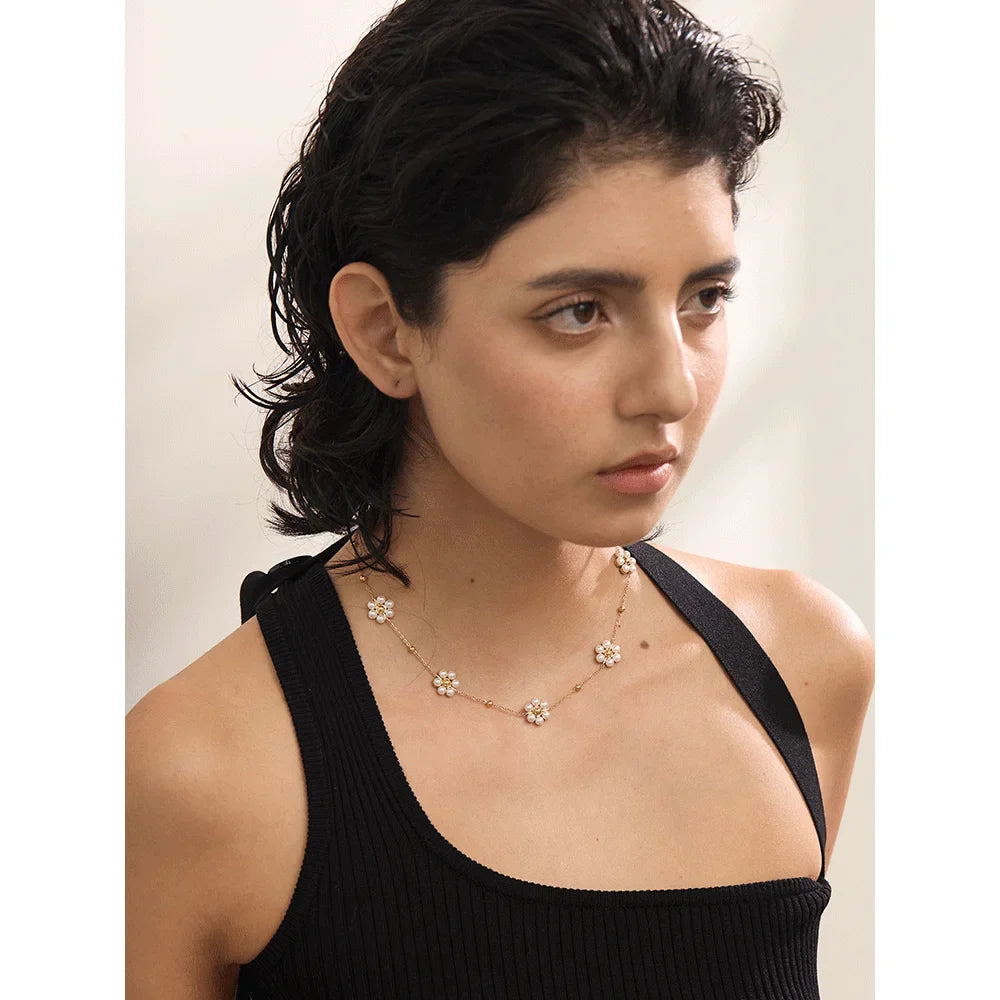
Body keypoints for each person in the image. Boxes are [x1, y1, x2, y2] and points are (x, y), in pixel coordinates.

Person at [125, 1, 875, 997]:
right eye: (579, 311)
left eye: (704, 298)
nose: (670, 387)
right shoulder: (197, 776)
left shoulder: (803, 664)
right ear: (385, 331)